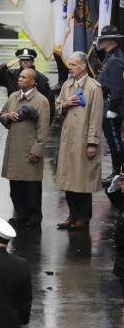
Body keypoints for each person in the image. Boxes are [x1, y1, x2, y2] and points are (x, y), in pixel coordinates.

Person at [55, 51, 104, 229]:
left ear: (83, 66)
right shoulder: (67, 85)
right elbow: (58, 108)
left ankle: (83, 218)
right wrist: (65, 104)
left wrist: (92, 142)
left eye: (74, 65)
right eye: (70, 65)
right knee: (68, 179)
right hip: (68, 140)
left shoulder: (93, 87)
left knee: (83, 180)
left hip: (84, 140)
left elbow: (96, 117)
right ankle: (72, 216)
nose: (71, 68)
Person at [0, 68, 50, 226]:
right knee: (15, 186)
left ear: (33, 82)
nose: (20, 79)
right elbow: (2, 115)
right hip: (14, 149)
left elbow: (43, 129)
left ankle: (34, 217)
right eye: (20, 76)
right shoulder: (14, 96)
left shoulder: (41, 101)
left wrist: (37, 150)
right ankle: (20, 215)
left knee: (32, 186)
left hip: (29, 150)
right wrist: (7, 116)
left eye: (24, 77)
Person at [0, 47, 55, 116]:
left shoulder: (41, 78)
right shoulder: (11, 75)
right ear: (19, 61)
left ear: (33, 61)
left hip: (34, 117)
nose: (25, 62)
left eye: (28, 60)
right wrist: (5, 66)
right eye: (22, 60)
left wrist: (45, 123)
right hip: (13, 115)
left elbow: (49, 104)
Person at [96, 26, 124, 177]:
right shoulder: (110, 56)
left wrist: (112, 109)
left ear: (109, 41)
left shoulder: (115, 60)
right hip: (107, 106)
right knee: (113, 141)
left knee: (115, 142)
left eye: (103, 39)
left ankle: (119, 172)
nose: (100, 42)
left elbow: (118, 88)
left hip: (112, 109)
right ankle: (116, 171)